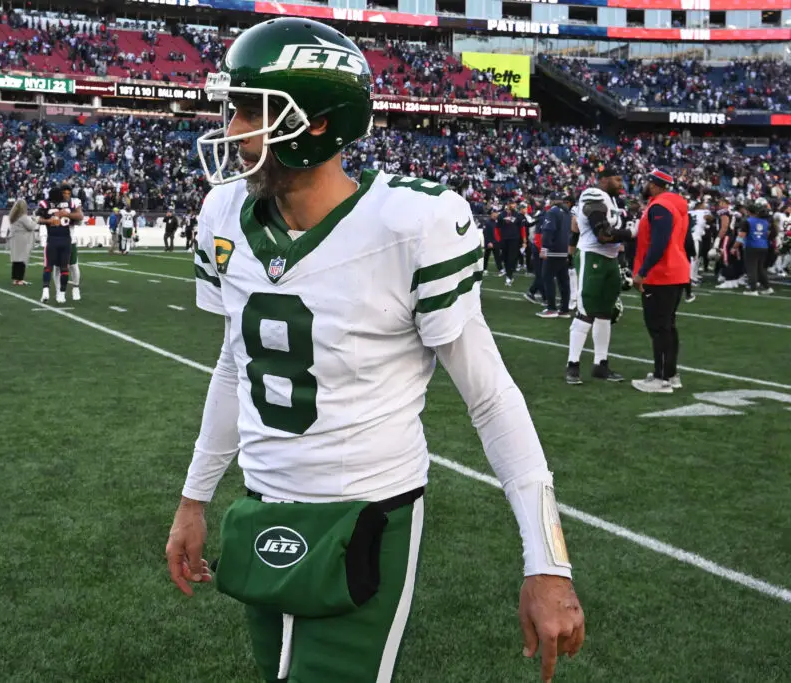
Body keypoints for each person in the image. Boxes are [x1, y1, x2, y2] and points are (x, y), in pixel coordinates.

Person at [164, 18, 584, 683]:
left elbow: (492, 398)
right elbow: (235, 364)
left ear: (320, 124)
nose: (236, 128)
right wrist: (195, 498)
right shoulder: (223, 216)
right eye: (234, 106)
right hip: (261, 506)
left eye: (255, 110)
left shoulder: (409, 225)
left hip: (366, 514)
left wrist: (549, 562)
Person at [565, 167, 626, 386]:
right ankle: (573, 365)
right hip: (592, 255)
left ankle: (601, 364)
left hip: (610, 260)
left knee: (605, 313)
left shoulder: (612, 201)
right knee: (585, 311)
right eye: (616, 178)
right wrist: (632, 233)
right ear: (603, 180)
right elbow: (603, 235)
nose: (621, 183)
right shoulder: (593, 194)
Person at [631, 169, 690, 394]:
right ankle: (670, 374)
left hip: (662, 274)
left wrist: (642, 272)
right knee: (667, 326)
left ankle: (662, 378)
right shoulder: (675, 205)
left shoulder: (660, 207)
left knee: (659, 327)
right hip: (675, 271)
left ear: (655, 185)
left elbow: (659, 243)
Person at [535, 193, 572, 318]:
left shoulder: (552, 212)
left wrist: (544, 248)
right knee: (563, 281)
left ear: (552, 201)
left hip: (553, 251)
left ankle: (551, 308)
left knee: (547, 278)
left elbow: (548, 230)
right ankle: (564, 309)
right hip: (564, 250)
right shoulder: (568, 212)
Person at [37, 187, 73, 304]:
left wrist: (48, 220)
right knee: (64, 268)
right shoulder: (69, 203)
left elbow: (37, 218)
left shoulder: (45, 204)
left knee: (48, 267)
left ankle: (45, 291)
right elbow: (78, 218)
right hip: (66, 239)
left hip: (52, 238)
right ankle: (62, 294)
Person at [734, 199, 776, 296]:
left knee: (751, 268)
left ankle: (753, 290)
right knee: (760, 269)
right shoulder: (765, 222)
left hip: (751, 246)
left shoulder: (747, 221)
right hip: (763, 246)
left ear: (748, 211)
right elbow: (768, 234)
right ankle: (767, 288)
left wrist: (734, 247)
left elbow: (741, 236)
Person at [51, 185, 84, 301]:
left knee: (73, 265)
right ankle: (59, 291)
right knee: (57, 267)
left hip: (70, 238)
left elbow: (80, 216)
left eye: (68, 193)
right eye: (64, 193)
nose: (66, 195)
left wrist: (67, 214)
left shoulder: (74, 202)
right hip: (55, 237)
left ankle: (76, 287)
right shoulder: (53, 202)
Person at [7, 198, 37, 285]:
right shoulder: (23, 217)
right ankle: (20, 279)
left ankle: (15, 279)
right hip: (22, 239)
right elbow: (31, 227)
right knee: (22, 259)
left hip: (14, 239)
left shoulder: (13, 216)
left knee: (16, 259)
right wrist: (35, 219)